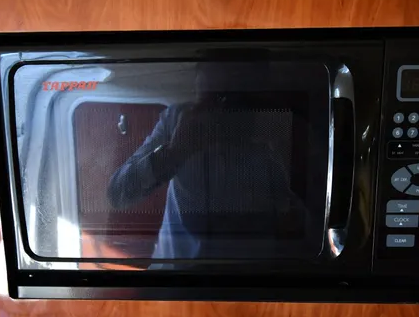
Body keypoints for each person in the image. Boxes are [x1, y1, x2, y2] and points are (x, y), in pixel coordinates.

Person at [107, 61, 305, 264]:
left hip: (247, 273)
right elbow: (118, 193)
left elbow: (295, 220)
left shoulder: (266, 127)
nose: (218, 113)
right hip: (176, 272)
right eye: (207, 101)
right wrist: (176, 151)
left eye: (229, 101)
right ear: (196, 92)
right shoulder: (177, 121)